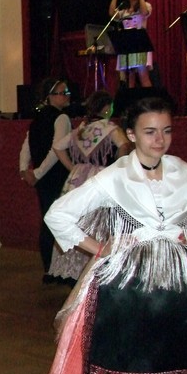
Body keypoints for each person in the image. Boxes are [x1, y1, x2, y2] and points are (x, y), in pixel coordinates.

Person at [35, 97, 187, 374]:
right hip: (127, 289)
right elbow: (58, 214)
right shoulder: (115, 177)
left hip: (183, 293)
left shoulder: (186, 174)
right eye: (150, 132)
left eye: (166, 131)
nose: (160, 140)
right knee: (129, 371)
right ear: (131, 134)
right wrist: (99, 248)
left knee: (176, 370)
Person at [47, 91, 130, 283]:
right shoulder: (109, 128)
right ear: (106, 108)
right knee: (97, 224)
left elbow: (58, 147)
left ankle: (73, 269)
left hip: (76, 178)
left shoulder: (81, 129)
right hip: (99, 176)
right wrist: (118, 167)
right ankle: (95, 266)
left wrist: (72, 167)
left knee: (74, 221)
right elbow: (124, 146)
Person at [19, 78, 72, 284]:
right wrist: (36, 172)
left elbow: (26, 146)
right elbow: (57, 150)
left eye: (66, 92)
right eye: (61, 92)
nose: (66, 96)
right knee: (59, 220)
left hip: (43, 178)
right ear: (50, 96)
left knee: (48, 218)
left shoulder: (38, 118)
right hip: (56, 175)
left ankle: (50, 268)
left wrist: (25, 170)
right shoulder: (61, 118)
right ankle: (59, 270)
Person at [109, 0, 153, 88]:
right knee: (130, 77)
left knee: (143, 76)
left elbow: (144, 12)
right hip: (127, 44)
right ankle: (131, 97)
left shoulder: (146, 5)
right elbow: (112, 14)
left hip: (139, 44)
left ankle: (150, 97)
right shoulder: (124, 11)